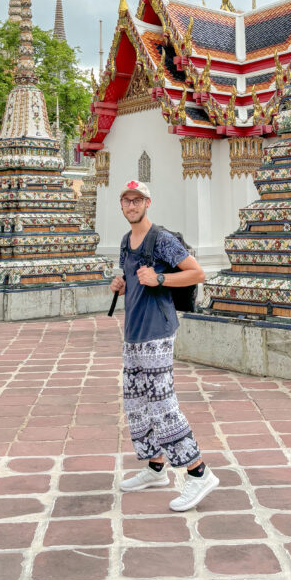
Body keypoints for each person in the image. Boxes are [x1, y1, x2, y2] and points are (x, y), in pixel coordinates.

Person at [110, 180, 219, 511]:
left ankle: (198, 472)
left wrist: (160, 279)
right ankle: (156, 466)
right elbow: (133, 279)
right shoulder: (126, 241)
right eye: (127, 201)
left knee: (162, 403)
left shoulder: (162, 240)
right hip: (133, 331)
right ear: (122, 205)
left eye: (137, 200)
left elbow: (196, 272)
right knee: (136, 401)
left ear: (147, 203)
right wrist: (122, 284)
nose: (132, 205)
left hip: (158, 330)